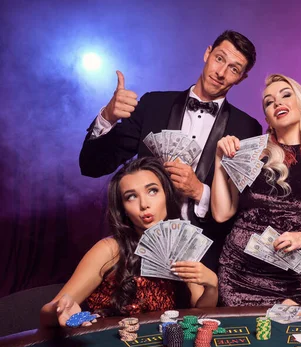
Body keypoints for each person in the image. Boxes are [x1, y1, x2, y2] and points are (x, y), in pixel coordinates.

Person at [79, 30, 262, 272]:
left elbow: (244, 211)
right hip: (142, 251)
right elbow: (92, 166)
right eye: (219, 58)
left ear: (242, 78)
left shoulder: (247, 127)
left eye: (234, 69)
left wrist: (200, 191)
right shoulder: (153, 105)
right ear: (207, 53)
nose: (221, 72)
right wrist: (107, 117)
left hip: (205, 259)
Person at [211, 74, 301, 306]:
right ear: (267, 118)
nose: (277, 103)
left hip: (288, 277)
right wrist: (218, 158)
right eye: (269, 102)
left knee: (290, 339)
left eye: (285, 95)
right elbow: (222, 213)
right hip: (238, 273)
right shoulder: (251, 153)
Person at [40, 158, 217, 327]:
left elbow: (199, 315)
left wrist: (211, 285)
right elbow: (48, 314)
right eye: (131, 196)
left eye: (152, 191)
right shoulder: (109, 250)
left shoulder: (180, 245)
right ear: (123, 209)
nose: (144, 204)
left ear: (166, 195)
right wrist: (59, 309)